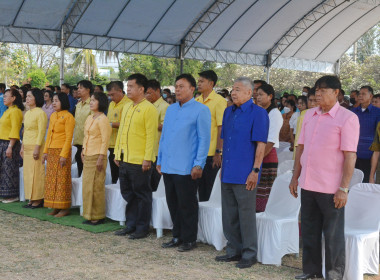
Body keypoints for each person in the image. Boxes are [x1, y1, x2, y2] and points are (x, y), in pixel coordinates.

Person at [289, 75, 359, 280]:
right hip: (308, 183)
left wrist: (344, 188)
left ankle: (334, 275)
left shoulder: (347, 118)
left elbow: (350, 155)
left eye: (322, 90)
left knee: (333, 236)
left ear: (336, 92)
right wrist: (295, 178)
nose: (317, 94)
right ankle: (310, 272)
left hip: (331, 188)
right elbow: (300, 148)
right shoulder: (309, 115)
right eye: (316, 90)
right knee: (309, 231)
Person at [215, 77, 269, 269]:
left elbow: (261, 145)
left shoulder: (259, 114)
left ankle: (249, 253)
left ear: (249, 93)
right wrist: (222, 164)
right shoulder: (228, 111)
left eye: (237, 89)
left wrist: (255, 170)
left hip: (246, 172)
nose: (233, 93)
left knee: (245, 215)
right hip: (228, 170)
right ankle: (233, 250)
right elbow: (226, 141)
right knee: (229, 214)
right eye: (232, 89)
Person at [157, 73, 210, 252]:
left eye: (181, 86)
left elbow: (204, 139)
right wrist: (160, 159)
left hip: (187, 166)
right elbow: (164, 137)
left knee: (187, 204)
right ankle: (177, 235)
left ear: (192, 89)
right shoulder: (171, 109)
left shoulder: (201, 110)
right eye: (176, 86)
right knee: (172, 202)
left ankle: (189, 239)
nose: (177, 89)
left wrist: (199, 164)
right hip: (169, 164)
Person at [113, 73, 158, 239]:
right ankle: (130, 224)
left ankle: (142, 228)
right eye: (127, 86)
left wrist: (148, 158)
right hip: (125, 159)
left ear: (141, 89)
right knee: (128, 193)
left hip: (140, 161)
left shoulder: (149, 109)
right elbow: (121, 133)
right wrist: (117, 153)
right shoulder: (127, 107)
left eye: (131, 86)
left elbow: (151, 136)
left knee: (142, 195)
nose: (128, 89)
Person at [81, 92, 111, 225]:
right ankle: (89, 214)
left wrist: (101, 157)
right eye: (91, 100)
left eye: (94, 100)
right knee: (87, 186)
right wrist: (82, 150)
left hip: (97, 156)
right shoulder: (90, 118)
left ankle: (98, 215)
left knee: (96, 186)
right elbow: (86, 136)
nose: (91, 102)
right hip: (87, 155)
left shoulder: (103, 119)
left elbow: (105, 141)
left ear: (101, 103)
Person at [43, 93, 75, 217]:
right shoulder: (53, 115)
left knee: (62, 180)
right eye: (53, 100)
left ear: (63, 101)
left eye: (56, 100)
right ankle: (55, 206)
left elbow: (68, 138)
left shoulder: (68, 117)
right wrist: (45, 151)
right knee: (52, 180)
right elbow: (49, 135)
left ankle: (64, 207)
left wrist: (64, 155)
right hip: (51, 151)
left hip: (62, 151)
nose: (54, 103)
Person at [196, 70, 227, 201]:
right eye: (199, 81)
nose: (199, 84)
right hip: (196, 152)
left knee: (208, 190)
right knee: (196, 189)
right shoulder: (196, 100)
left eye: (202, 81)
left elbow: (221, 128)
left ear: (211, 83)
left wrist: (218, 152)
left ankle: (207, 221)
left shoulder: (219, 101)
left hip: (211, 153)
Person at [255, 83, 283, 212]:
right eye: (257, 95)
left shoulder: (274, 113)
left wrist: (258, 160)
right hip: (259, 155)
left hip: (267, 155)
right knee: (256, 192)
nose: (258, 97)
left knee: (264, 192)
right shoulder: (261, 112)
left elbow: (270, 141)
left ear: (270, 96)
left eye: (261, 95)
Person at [20, 88, 47, 208]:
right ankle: (31, 198)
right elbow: (25, 131)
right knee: (28, 173)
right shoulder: (28, 113)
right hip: (27, 145)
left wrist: (37, 148)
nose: (27, 98)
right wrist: (22, 146)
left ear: (36, 98)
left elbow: (41, 132)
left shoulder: (40, 113)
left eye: (30, 96)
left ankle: (38, 199)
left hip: (36, 146)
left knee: (37, 173)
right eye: (26, 96)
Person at [351, 85, 380, 182]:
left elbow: (377, 136)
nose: (360, 96)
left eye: (364, 94)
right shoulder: (353, 112)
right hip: (352, 153)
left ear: (371, 96)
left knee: (366, 183)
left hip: (370, 154)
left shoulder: (377, 112)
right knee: (352, 183)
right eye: (359, 94)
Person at [0, 88, 24, 203]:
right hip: (2, 142)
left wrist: (10, 146)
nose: (4, 98)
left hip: (10, 143)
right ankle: (4, 193)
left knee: (9, 169)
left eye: (6, 96)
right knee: (3, 169)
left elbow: (15, 129)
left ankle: (12, 195)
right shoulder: (7, 110)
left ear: (13, 98)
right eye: (4, 96)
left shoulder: (15, 111)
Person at [145, 79, 169, 191]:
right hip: (147, 149)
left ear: (157, 91)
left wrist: (148, 124)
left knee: (155, 184)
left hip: (157, 150)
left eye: (149, 93)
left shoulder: (164, 106)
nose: (147, 95)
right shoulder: (146, 106)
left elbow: (166, 126)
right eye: (146, 93)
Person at [106, 81, 131, 184]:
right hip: (111, 143)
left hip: (122, 145)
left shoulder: (128, 103)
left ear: (120, 91)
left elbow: (128, 123)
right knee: (114, 175)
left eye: (113, 94)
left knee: (123, 176)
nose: (111, 97)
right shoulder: (111, 104)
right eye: (109, 95)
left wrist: (110, 124)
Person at [73, 80, 93, 177]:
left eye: (81, 88)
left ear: (88, 90)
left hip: (88, 143)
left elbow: (94, 124)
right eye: (78, 88)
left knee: (87, 172)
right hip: (77, 142)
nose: (78, 90)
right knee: (80, 170)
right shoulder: (78, 105)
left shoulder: (92, 104)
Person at [293, 89, 318, 158]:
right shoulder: (304, 115)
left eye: (315, 101)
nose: (312, 104)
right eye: (310, 100)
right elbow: (298, 140)